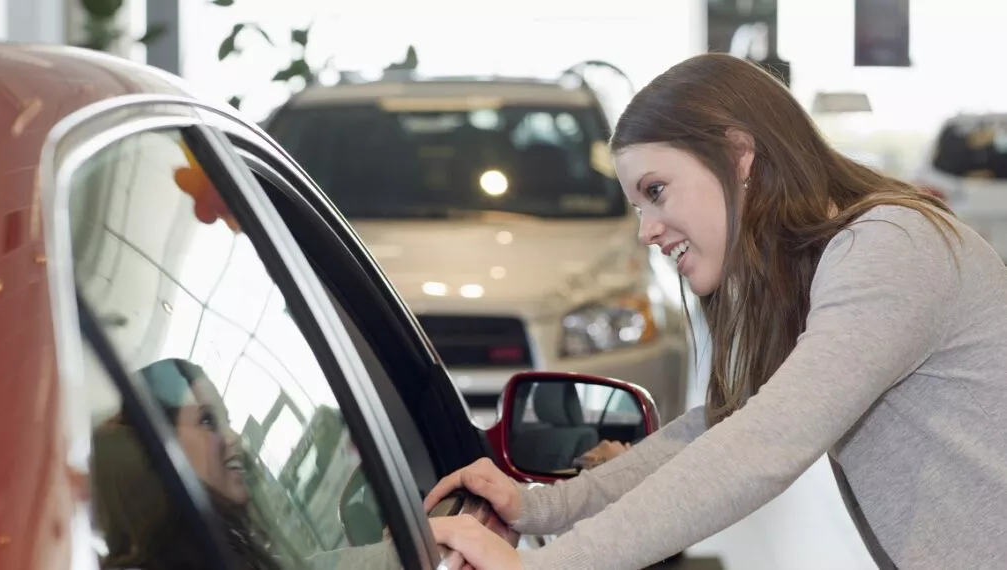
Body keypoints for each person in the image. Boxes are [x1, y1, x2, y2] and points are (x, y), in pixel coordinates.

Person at [423, 52, 1007, 570]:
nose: (647, 231)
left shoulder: (889, 247)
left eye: (656, 191)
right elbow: (724, 427)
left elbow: (760, 447)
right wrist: (540, 507)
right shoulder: (835, 262)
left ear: (738, 155)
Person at [91, 358, 403, 570]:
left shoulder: (219, 550)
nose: (235, 439)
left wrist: (393, 555)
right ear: (156, 451)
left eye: (228, 420)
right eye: (208, 421)